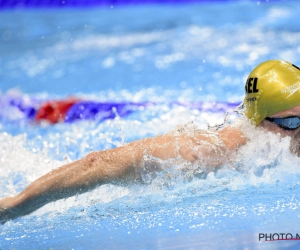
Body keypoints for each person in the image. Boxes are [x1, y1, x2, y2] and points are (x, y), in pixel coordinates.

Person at [1, 59, 300, 223]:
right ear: (258, 123)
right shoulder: (209, 152)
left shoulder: (285, 138)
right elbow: (98, 164)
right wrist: (15, 206)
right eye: (291, 122)